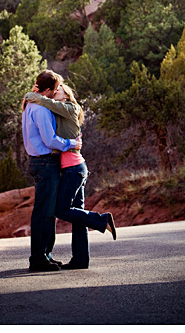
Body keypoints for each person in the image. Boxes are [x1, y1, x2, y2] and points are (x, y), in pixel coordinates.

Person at [24, 82, 116, 270]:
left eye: (57, 89)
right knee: (77, 213)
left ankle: (102, 220)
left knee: (61, 210)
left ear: (66, 94)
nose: (55, 92)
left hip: (73, 168)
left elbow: (46, 105)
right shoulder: (59, 112)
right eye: (54, 88)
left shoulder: (68, 107)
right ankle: (81, 260)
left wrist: (32, 95)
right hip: (73, 167)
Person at [22, 70, 81, 272]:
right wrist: (72, 143)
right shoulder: (41, 109)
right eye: (55, 89)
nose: (57, 92)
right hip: (46, 162)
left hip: (39, 161)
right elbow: (50, 140)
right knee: (45, 212)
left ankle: (45, 255)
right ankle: (39, 258)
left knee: (46, 211)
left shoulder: (30, 105)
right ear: (47, 90)